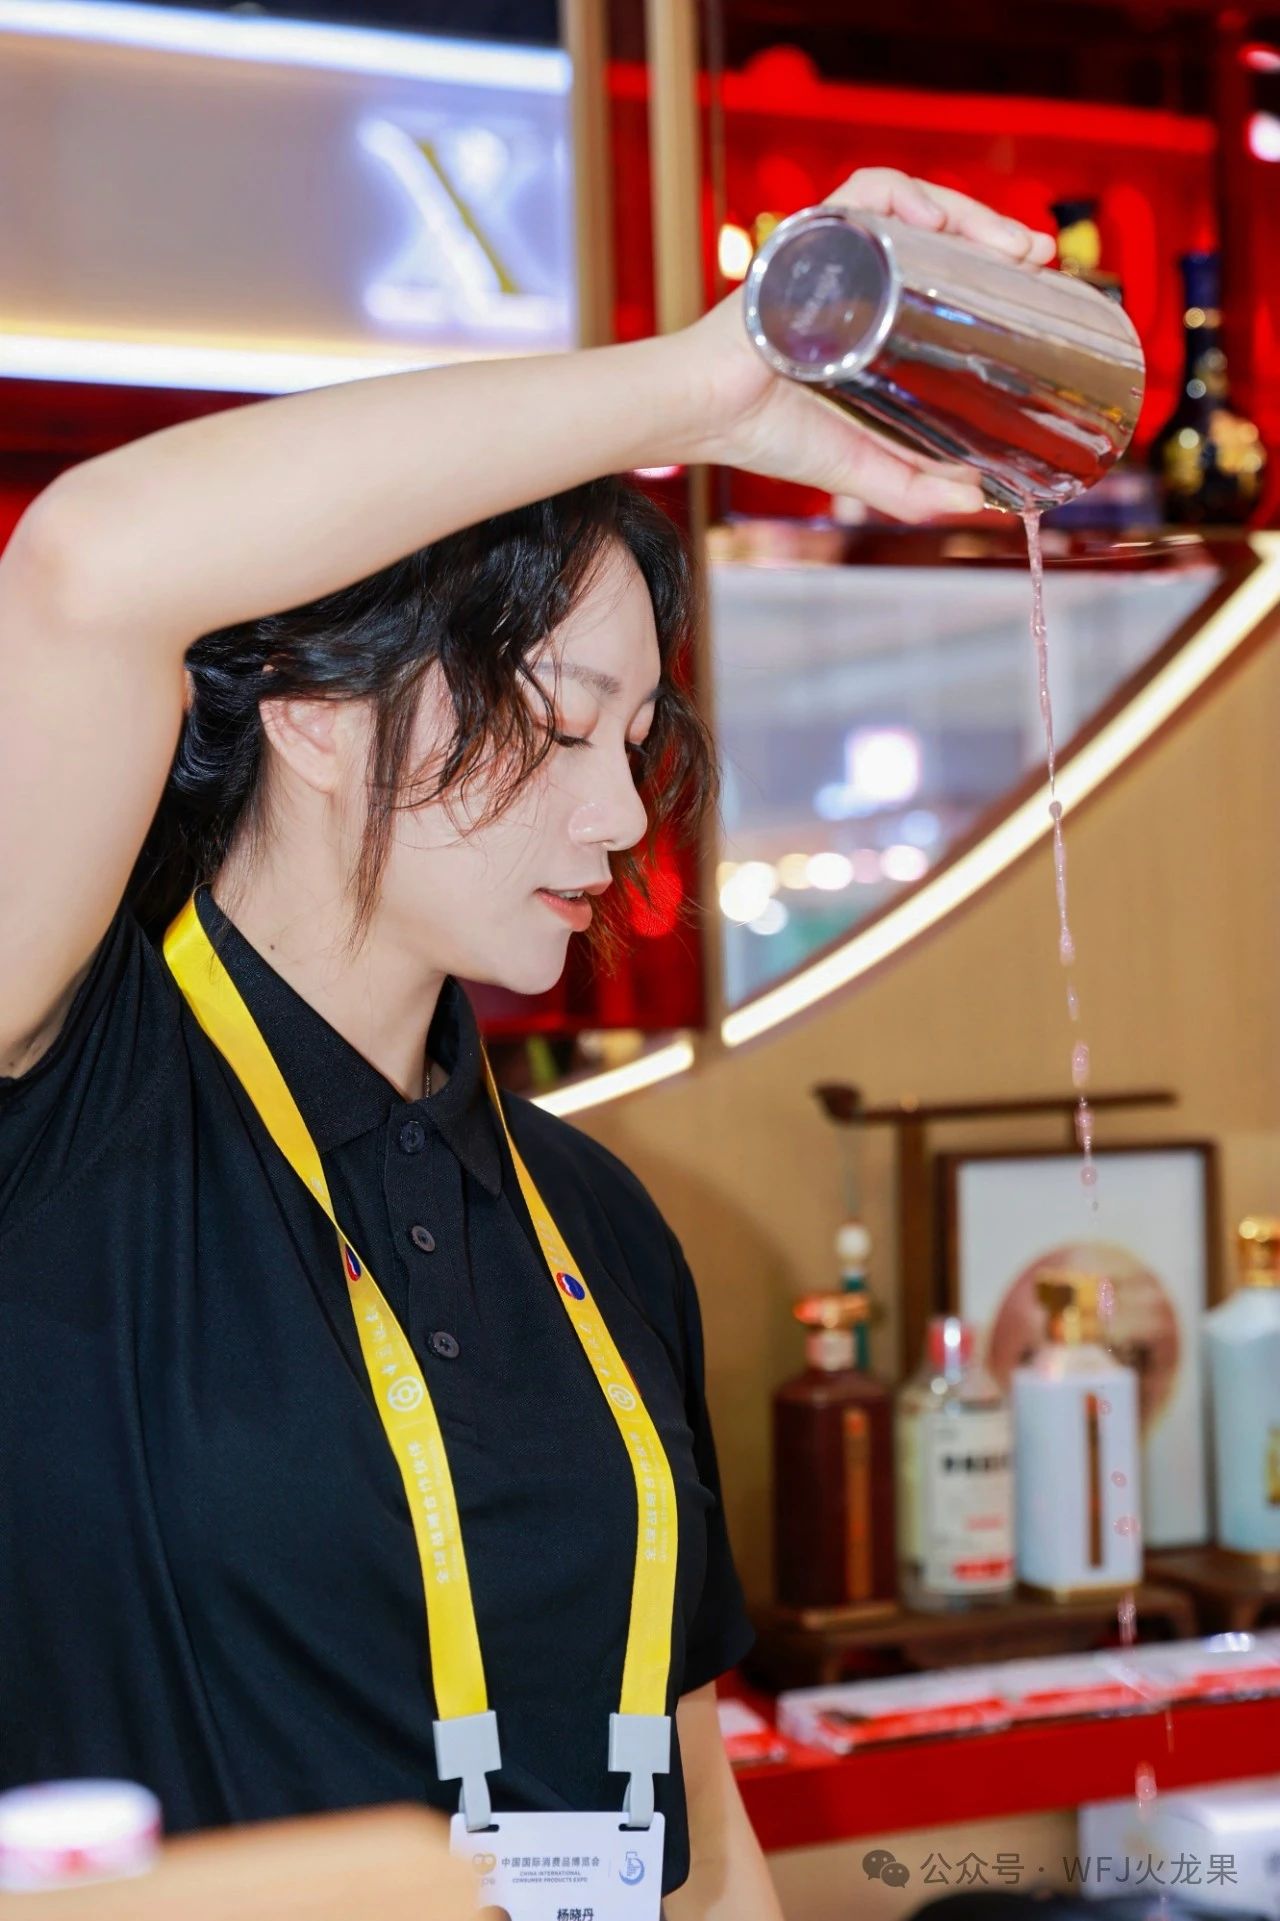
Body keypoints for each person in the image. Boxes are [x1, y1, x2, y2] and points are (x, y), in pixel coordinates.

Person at [0, 168, 1053, 1917]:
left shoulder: (595, 1221)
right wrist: (706, 388)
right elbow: (85, 565)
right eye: (560, 728)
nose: (622, 814)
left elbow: (700, 1835)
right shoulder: (67, 1099)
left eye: (638, 741)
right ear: (317, 711)